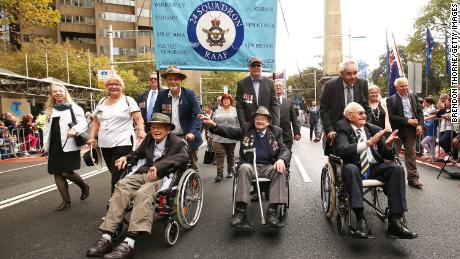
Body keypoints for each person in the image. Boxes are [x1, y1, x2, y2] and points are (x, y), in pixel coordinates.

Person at [86, 113, 189, 258]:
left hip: (162, 176)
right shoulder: (149, 138)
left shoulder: (177, 142)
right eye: (153, 127)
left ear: (167, 130)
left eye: (159, 127)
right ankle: (107, 236)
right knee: (122, 186)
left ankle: (129, 242)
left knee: (143, 193)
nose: (155, 130)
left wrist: (159, 166)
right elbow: (137, 154)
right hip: (144, 172)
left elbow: (184, 158)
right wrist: (125, 158)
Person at [335, 102, 418, 239]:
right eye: (360, 113)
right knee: (350, 168)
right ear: (350, 116)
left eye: (364, 113)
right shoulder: (342, 128)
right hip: (354, 167)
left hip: (373, 166)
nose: (364, 115)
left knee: (396, 169)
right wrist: (368, 143)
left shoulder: (372, 128)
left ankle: (395, 222)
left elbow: (387, 155)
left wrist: (388, 145)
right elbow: (342, 149)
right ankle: (360, 219)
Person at [199, 106, 290, 228]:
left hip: (269, 165)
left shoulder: (276, 131)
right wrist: (214, 125)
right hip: (250, 165)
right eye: (257, 118)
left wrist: (281, 159)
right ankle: (240, 213)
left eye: (263, 119)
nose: (260, 121)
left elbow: (284, 149)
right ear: (254, 120)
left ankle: (272, 212)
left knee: (280, 170)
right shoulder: (247, 129)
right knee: (243, 168)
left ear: (268, 121)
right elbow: (229, 132)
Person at [87, 74, 146, 194]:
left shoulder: (128, 101)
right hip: (105, 144)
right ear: (107, 86)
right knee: (115, 172)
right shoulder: (102, 101)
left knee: (116, 175)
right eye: (110, 84)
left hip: (123, 142)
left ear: (121, 86)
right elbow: (96, 121)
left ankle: (113, 207)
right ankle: (128, 193)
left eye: (116, 84)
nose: (113, 86)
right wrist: (92, 136)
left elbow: (139, 119)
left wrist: (141, 131)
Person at [42, 83, 90, 211]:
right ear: (51, 94)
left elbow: (83, 123)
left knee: (66, 172)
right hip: (54, 145)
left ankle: (84, 186)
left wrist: (75, 129)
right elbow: (46, 129)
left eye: (60, 91)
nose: (57, 93)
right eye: (54, 91)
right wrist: (45, 144)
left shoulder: (74, 107)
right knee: (56, 172)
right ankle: (66, 200)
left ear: (65, 92)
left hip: (69, 143)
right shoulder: (50, 109)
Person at [154, 65, 203, 172]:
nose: (173, 82)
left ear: (180, 80)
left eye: (175, 79)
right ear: (166, 80)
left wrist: (193, 133)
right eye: (170, 79)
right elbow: (156, 114)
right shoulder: (161, 94)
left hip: (187, 136)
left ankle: (195, 184)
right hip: (169, 136)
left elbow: (198, 115)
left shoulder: (189, 94)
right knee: (168, 164)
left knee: (192, 165)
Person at [320, 60, 371, 153]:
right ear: (341, 74)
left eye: (355, 73)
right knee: (337, 161)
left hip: (357, 131)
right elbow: (324, 110)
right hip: (337, 131)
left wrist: (366, 127)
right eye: (349, 74)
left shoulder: (362, 84)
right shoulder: (330, 85)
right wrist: (329, 130)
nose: (353, 77)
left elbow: (366, 107)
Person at [386, 77, 424, 188]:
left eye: (406, 85)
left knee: (411, 154)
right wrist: (407, 121)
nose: (405, 88)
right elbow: (391, 116)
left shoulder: (413, 97)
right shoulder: (391, 99)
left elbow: (420, 112)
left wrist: (420, 125)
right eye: (402, 86)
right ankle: (390, 177)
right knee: (393, 154)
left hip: (411, 131)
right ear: (397, 87)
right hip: (397, 131)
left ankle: (413, 179)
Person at [236, 56, 280, 126]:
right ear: (249, 68)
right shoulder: (241, 84)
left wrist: (275, 125)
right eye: (253, 65)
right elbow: (240, 107)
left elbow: (274, 105)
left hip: (267, 125)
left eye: (258, 65)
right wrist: (244, 125)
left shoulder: (270, 83)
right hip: (249, 125)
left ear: (261, 67)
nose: (256, 67)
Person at [211, 94, 239, 181]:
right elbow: (211, 122)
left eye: (228, 99)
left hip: (230, 136)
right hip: (218, 136)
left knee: (230, 155)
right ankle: (219, 173)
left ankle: (230, 170)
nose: (225, 101)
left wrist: (238, 133)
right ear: (221, 101)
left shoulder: (235, 111)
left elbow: (239, 123)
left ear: (231, 101)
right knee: (219, 155)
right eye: (224, 99)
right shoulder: (216, 111)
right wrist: (210, 135)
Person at [274, 79, 301, 151]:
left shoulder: (289, 102)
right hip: (273, 137)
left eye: (280, 86)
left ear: (283, 88)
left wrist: (297, 133)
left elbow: (294, 119)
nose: (278, 87)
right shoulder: (270, 101)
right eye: (276, 86)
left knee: (286, 159)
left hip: (287, 137)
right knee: (276, 160)